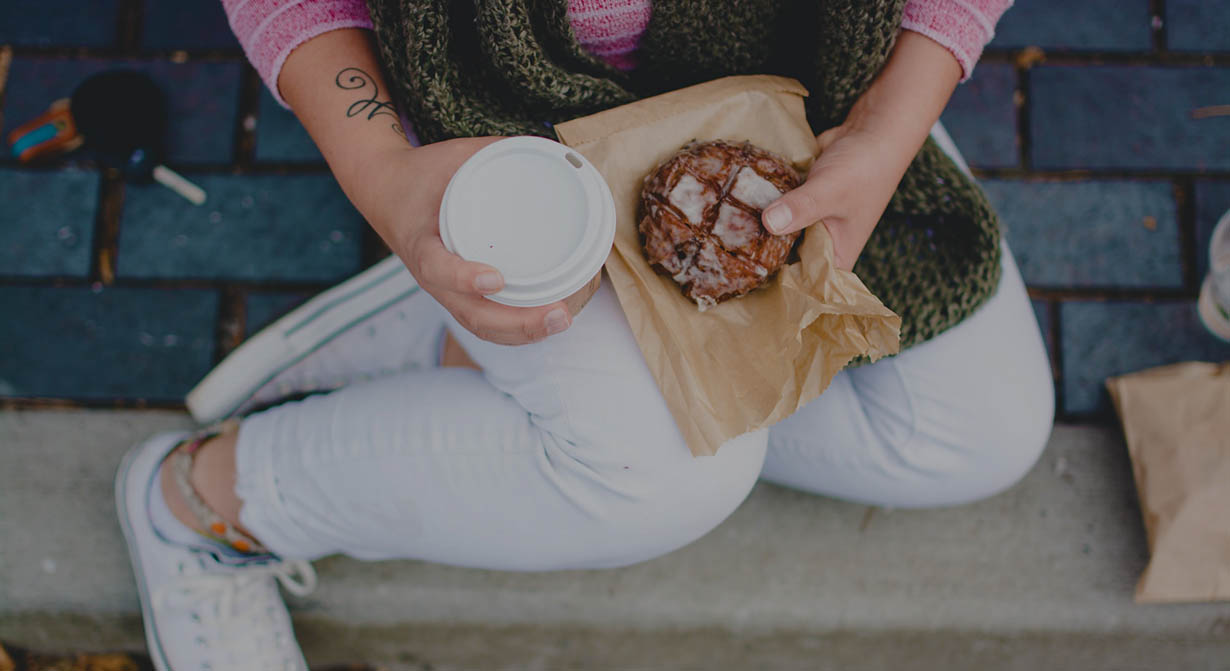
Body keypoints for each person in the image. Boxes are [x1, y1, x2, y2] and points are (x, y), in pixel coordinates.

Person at [115, 1, 1052, 669]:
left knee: (981, 432)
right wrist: (387, 181)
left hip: (799, 85)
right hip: (507, 145)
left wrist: (890, 129)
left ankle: (466, 358)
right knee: (672, 477)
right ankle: (204, 507)